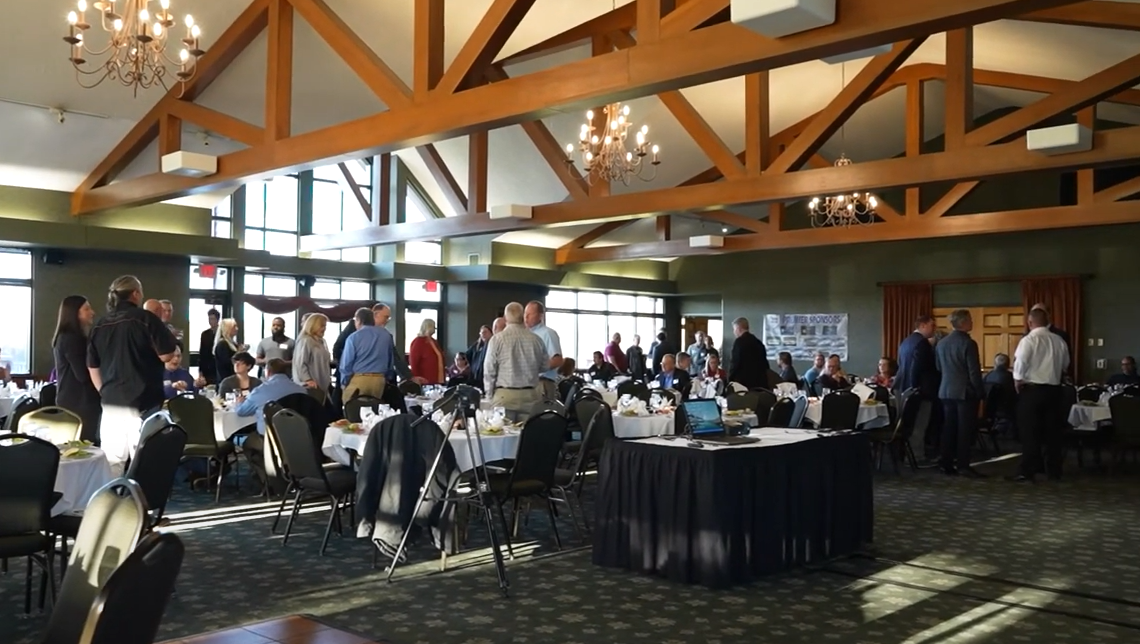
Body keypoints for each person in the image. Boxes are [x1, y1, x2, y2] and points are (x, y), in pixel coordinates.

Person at [87, 275, 178, 476]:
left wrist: (104, 391)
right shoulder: (145, 319)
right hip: (142, 401)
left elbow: (93, 366)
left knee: (112, 462)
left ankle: (112, 502)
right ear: (136, 294)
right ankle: (140, 504)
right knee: (143, 460)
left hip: (111, 402)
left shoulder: (100, 325)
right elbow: (167, 355)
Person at [1011, 308, 1070, 483]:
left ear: (1030, 322)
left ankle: (1028, 470)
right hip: (1054, 391)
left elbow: (1020, 362)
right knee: (1053, 432)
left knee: (1029, 432)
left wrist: (1017, 380)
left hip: (1033, 391)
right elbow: (1065, 364)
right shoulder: (1059, 341)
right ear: (1048, 322)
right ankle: (1054, 470)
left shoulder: (1028, 340)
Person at [236, 358, 307, 480]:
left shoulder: (260, 391)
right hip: (298, 438)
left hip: (269, 438)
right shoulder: (301, 390)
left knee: (248, 444)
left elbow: (242, 412)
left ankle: (268, 479)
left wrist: (239, 403)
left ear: (267, 372)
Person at [935, 309, 986, 478]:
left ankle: (945, 463)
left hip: (945, 390)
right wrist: (980, 393)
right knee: (964, 430)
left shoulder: (941, 343)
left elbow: (939, 368)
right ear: (963, 322)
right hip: (965, 392)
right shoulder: (968, 343)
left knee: (948, 428)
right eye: (970, 319)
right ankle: (963, 465)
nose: (973, 322)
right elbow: (974, 372)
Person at [484, 302, 548, 421]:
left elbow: (489, 370)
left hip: (504, 395)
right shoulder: (537, 340)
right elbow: (545, 366)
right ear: (522, 317)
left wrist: (489, 395)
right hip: (530, 395)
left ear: (505, 318)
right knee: (527, 436)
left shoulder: (497, 340)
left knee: (502, 435)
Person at [52, 295, 101, 443]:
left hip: (72, 399)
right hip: (80, 402)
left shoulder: (65, 337)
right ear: (75, 313)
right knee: (82, 448)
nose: (92, 312)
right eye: (86, 309)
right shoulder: (72, 339)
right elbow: (83, 374)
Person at [341, 307, 398, 401]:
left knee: (352, 410)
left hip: (359, 379)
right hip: (379, 380)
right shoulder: (386, 335)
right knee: (373, 412)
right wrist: (387, 377)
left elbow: (347, 363)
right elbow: (390, 360)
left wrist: (345, 382)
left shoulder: (354, 337)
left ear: (358, 320)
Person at [525, 301, 563, 401]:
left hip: (543, 383)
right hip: (528, 383)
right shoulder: (525, 334)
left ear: (540, 316)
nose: (526, 317)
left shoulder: (548, 334)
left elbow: (558, 360)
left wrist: (537, 369)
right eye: (525, 314)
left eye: (530, 314)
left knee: (541, 415)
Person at [293, 312, 333, 401]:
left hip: (322, 386)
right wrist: (308, 380)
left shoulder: (321, 341)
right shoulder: (305, 341)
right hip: (310, 388)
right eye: (322, 326)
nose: (324, 329)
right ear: (313, 325)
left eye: (325, 326)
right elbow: (300, 363)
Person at [1029, 303, 1072, 379]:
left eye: (1040, 312)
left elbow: (1066, 362)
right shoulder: (1026, 336)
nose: (1037, 315)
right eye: (1034, 312)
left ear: (1048, 315)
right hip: (1032, 381)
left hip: (1055, 380)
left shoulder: (1061, 335)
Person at [728, 317, 769, 389]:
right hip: (759, 383)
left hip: (743, 384)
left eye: (734, 329)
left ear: (738, 328)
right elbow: (765, 364)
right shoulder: (758, 343)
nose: (734, 332)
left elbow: (735, 363)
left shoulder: (739, 343)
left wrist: (729, 378)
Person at [409, 318, 445, 384]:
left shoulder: (434, 342)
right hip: (425, 378)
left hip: (438, 377)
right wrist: (416, 377)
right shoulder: (418, 342)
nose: (435, 329)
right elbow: (414, 362)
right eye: (433, 326)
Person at [213, 318, 243, 382]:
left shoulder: (233, 344)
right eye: (234, 327)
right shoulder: (222, 344)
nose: (237, 329)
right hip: (225, 379)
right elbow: (226, 362)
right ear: (227, 329)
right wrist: (239, 353)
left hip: (234, 378)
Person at [198, 309, 221, 385]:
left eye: (213, 319)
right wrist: (200, 371)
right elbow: (202, 353)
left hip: (218, 367)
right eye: (209, 319)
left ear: (217, 320)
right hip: (207, 367)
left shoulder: (222, 334)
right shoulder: (205, 334)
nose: (211, 321)